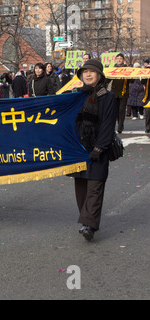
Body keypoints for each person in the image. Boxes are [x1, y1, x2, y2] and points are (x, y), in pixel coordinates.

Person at [69, 59, 118, 241]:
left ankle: (90, 225)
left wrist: (99, 148)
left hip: (98, 148)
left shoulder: (107, 97)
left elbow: (107, 125)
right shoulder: (75, 96)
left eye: (92, 71)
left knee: (95, 185)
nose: (88, 74)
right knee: (81, 187)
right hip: (78, 148)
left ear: (99, 75)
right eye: (85, 72)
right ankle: (86, 220)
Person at [108, 53, 129, 133]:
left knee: (121, 110)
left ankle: (120, 127)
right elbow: (107, 80)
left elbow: (132, 80)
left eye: (121, 58)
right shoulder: (113, 68)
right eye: (118, 58)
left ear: (123, 60)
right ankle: (117, 123)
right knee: (115, 110)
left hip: (124, 93)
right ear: (116, 60)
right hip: (114, 92)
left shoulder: (127, 69)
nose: (119, 60)